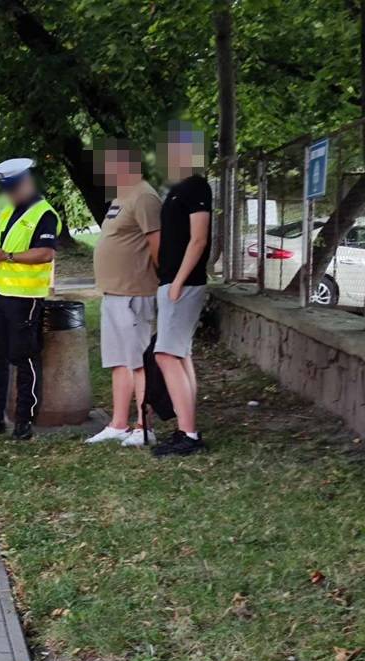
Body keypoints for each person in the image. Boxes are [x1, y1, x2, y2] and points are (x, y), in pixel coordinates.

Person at [0, 158, 59, 441]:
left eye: (13, 187)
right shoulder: (8, 212)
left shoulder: (45, 213)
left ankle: (24, 419)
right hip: (0, 294)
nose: (9, 193)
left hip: (25, 298)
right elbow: (4, 247)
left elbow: (46, 253)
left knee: (24, 357)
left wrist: (9, 257)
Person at [85, 141, 162, 447]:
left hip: (135, 292)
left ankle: (145, 426)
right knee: (119, 360)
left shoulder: (144, 196)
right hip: (114, 293)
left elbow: (157, 244)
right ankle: (118, 424)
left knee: (139, 362)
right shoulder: (122, 195)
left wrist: (163, 282)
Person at [152, 123, 211, 457]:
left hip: (183, 284)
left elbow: (198, 238)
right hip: (171, 281)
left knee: (165, 354)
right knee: (179, 353)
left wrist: (177, 282)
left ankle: (188, 434)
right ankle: (187, 429)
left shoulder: (196, 186)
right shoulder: (177, 189)